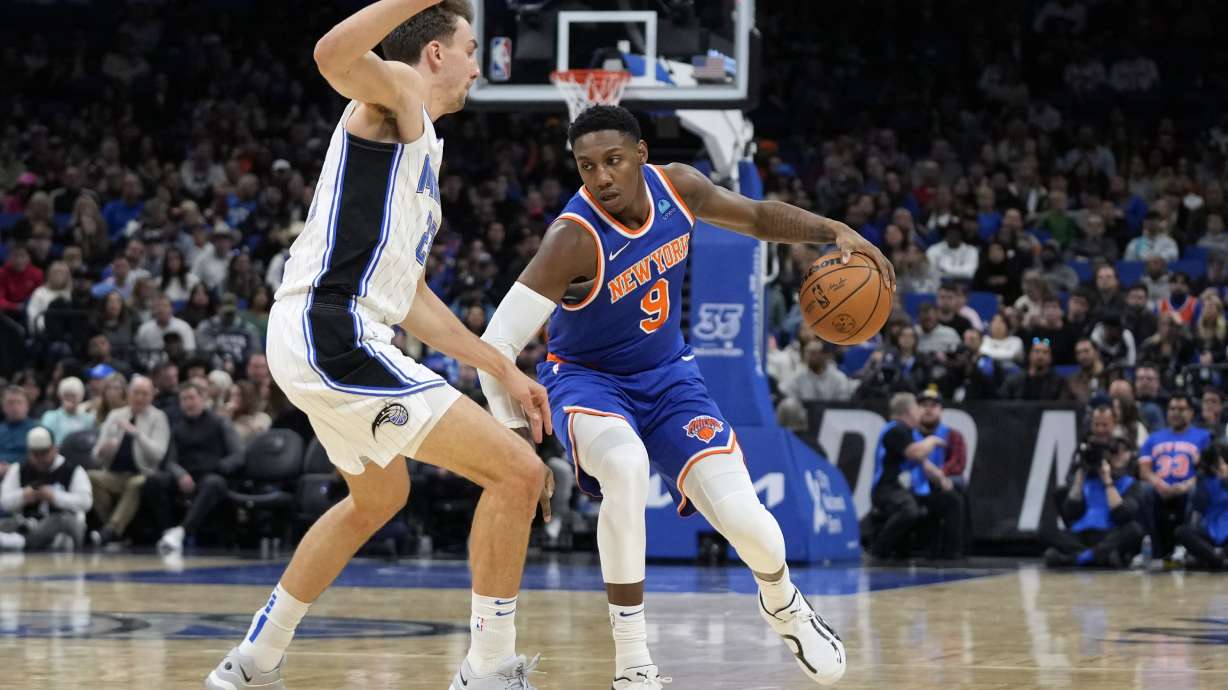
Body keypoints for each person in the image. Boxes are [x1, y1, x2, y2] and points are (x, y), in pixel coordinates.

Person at [204, 4, 553, 690]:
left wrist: (502, 367)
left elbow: (412, 300)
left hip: (329, 333)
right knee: (518, 473)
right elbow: (331, 55)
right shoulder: (396, 91)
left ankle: (253, 662)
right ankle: (488, 670)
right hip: (331, 329)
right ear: (434, 54)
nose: (478, 67)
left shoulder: (423, 151)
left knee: (378, 498)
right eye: (470, 49)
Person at [480, 105, 882, 688]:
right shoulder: (572, 238)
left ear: (641, 155)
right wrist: (517, 453)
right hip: (588, 381)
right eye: (587, 166)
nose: (601, 177)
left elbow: (757, 218)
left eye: (613, 161)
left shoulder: (680, 188)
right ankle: (633, 663)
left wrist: (834, 230)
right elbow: (494, 346)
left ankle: (784, 605)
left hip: (670, 379)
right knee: (625, 466)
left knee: (753, 527)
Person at [152, 382, 243, 555]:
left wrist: (219, 467)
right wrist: (180, 475)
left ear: (202, 399)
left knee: (213, 483)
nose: (188, 403)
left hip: (213, 475)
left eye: (191, 398)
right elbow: (170, 461)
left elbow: (238, 455)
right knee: (154, 481)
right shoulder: (177, 427)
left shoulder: (220, 422)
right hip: (186, 476)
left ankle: (182, 531)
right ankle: (168, 530)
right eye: (184, 399)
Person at [867, 393, 954, 559]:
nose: (921, 412)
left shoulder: (907, 432)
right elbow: (916, 453)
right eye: (917, 408)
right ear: (909, 411)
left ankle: (907, 552)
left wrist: (942, 479)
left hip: (898, 487)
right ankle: (877, 551)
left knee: (938, 501)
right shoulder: (895, 430)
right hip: (884, 488)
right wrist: (933, 440)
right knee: (908, 509)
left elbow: (923, 462)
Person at [88, 376, 170, 546]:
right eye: (136, 392)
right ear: (128, 393)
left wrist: (137, 434)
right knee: (91, 477)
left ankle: (111, 531)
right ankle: (111, 529)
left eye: (144, 394)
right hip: (115, 473)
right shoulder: (115, 415)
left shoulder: (159, 417)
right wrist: (103, 450)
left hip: (144, 473)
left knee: (134, 484)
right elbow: (95, 455)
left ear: (152, 396)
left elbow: (158, 454)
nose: (139, 397)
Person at [1044, 434, 1145, 567]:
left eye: (1123, 451)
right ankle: (1096, 557)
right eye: (1114, 452)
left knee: (1134, 529)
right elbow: (1070, 513)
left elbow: (1120, 516)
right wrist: (1080, 476)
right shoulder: (1088, 478)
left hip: (1108, 533)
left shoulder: (1131, 484)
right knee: (1046, 530)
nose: (1117, 455)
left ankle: (1078, 558)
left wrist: (1107, 482)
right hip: (1081, 534)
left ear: (1131, 455)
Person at [1139, 394, 1214, 559]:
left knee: (1198, 490)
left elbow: (1207, 470)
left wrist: (1185, 486)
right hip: (1160, 488)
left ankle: (1186, 546)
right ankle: (1154, 548)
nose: (1176, 413)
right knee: (1143, 490)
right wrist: (1158, 483)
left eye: (1181, 409)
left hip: (1189, 486)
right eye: (1172, 409)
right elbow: (1144, 471)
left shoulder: (1204, 436)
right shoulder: (1153, 438)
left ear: (1191, 412)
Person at [0, 427, 93, 551]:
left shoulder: (73, 470)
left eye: (44, 453)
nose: (39, 458)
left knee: (60, 521)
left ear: (55, 449)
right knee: (10, 524)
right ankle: (35, 541)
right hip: (27, 523)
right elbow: (4, 502)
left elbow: (86, 502)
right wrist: (23, 496)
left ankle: (19, 541)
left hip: (63, 522)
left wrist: (54, 497)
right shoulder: (18, 469)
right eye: (35, 454)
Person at [915, 389, 968, 558]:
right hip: (914, 484)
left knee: (955, 493)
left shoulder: (952, 435)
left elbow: (958, 463)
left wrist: (940, 474)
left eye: (933, 405)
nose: (928, 409)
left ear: (941, 410)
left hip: (940, 485)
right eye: (924, 405)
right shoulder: (908, 433)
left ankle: (953, 552)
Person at [1174, 443, 1228, 569]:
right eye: (1216, 466)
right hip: (1210, 531)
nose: (1220, 469)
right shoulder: (1205, 484)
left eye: (1223, 464)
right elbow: (1195, 513)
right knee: (1182, 531)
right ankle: (1218, 559)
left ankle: (1213, 559)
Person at [1000, 338, 1066, 400]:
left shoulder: (1058, 383)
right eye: (1037, 351)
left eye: (1045, 352)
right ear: (1029, 355)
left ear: (1050, 358)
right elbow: (1002, 403)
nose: (1040, 355)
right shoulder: (1014, 381)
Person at [38, 377, 95, 443]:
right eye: (66, 395)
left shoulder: (89, 419)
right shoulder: (50, 416)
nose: (69, 398)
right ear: (60, 396)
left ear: (80, 396)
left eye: (73, 395)